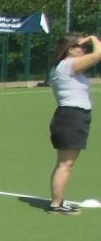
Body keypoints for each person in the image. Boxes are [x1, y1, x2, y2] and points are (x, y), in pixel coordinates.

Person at [47, 33, 101, 214]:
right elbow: (98, 55)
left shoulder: (65, 66)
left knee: (64, 163)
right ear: (70, 49)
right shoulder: (68, 64)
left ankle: (58, 201)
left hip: (71, 117)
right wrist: (93, 39)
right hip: (71, 117)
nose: (84, 49)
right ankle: (56, 204)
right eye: (80, 46)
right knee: (65, 164)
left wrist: (86, 42)